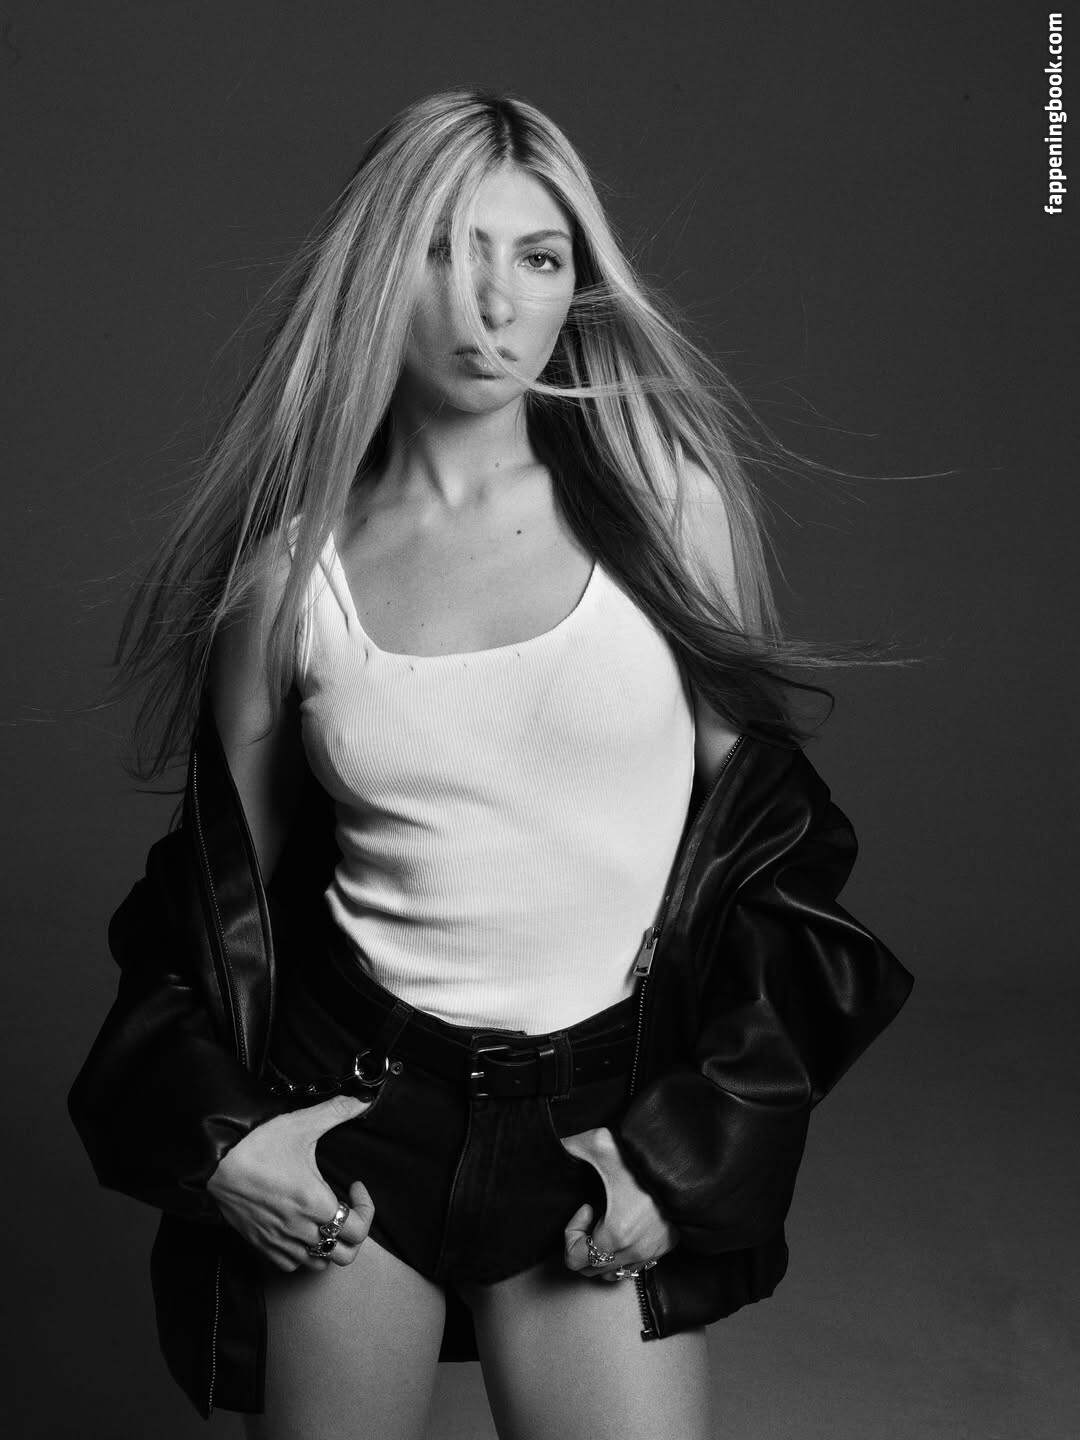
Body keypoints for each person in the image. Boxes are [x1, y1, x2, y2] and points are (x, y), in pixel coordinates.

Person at [69, 88, 913, 1439]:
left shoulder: (668, 512)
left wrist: (688, 1153)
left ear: (579, 286)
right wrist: (226, 1143)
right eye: (446, 252)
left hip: (595, 1128)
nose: (495, 304)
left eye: (538, 256)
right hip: (358, 1118)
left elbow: (775, 856)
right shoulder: (289, 579)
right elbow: (208, 910)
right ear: (375, 273)